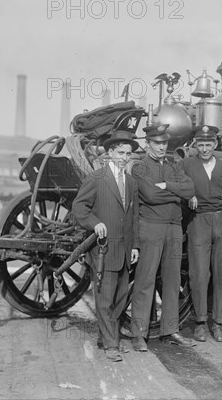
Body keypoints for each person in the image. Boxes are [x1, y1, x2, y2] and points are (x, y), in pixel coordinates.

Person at [72, 128, 140, 362]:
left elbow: (134, 216)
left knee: (121, 298)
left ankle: (106, 336)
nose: (124, 158)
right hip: (103, 250)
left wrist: (135, 246)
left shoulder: (131, 182)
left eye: (128, 154)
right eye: (120, 153)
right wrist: (95, 223)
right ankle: (111, 343)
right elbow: (79, 208)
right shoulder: (97, 178)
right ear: (110, 153)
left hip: (124, 250)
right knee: (104, 298)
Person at [130, 124, 196, 351]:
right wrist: (174, 193)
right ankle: (138, 333)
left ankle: (170, 329)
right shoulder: (139, 168)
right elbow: (150, 195)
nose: (160, 147)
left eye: (164, 143)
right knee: (145, 280)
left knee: (172, 280)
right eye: (156, 143)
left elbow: (190, 189)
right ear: (147, 144)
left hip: (174, 229)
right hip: (151, 227)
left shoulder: (173, 166)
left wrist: (167, 185)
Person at [179, 125, 222, 342]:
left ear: (215, 145)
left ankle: (219, 323)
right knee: (198, 274)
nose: (204, 148)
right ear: (195, 145)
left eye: (208, 144)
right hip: (198, 221)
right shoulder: (186, 164)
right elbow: (176, 185)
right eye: (201, 144)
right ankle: (200, 321)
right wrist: (188, 196)